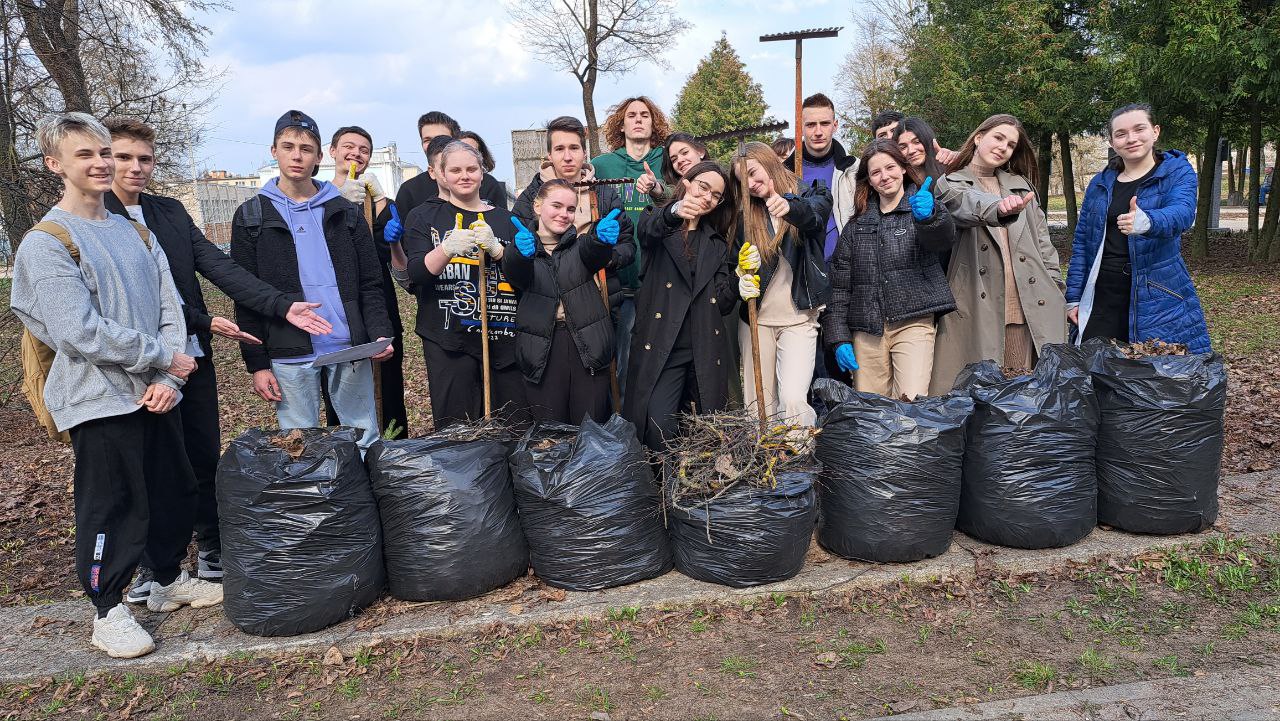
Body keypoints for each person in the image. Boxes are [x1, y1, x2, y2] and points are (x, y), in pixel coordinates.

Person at [11, 113, 222, 659]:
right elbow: (78, 331)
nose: (102, 163)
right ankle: (108, 609)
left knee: (173, 490)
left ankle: (168, 578)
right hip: (99, 398)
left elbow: (169, 305)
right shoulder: (47, 242)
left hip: (156, 390)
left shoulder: (136, 230)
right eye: (86, 155)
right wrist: (160, 358)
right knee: (112, 506)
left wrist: (168, 375)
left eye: (105, 152)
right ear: (55, 164)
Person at [103, 118, 334, 602]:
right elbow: (136, 295)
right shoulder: (95, 218)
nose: (135, 168)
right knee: (147, 467)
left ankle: (211, 549)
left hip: (191, 358)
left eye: (144, 158)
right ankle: (153, 566)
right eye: (123, 157)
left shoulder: (167, 212)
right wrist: (202, 319)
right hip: (131, 363)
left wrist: (281, 305)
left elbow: (220, 267)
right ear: (104, 158)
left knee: (201, 456)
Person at [231, 110, 394, 452]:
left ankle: (362, 502)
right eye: (287, 146)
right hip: (289, 349)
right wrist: (257, 364)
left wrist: (378, 332)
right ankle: (312, 506)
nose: (296, 155)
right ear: (273, 151)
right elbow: (245, 295)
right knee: (298, 443)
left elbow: (370, 281)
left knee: (362, 437)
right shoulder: (252, 216)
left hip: (348, 344)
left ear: (319, 156)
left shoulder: (344, 211)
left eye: (306, 149)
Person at [930, 114, 1067, 394]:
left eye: (1011, 144)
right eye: (998, 138)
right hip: (980, 305)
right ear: (979, 137)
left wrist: (1055, 284)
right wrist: (999, 208)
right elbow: (965, 205)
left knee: (1025, 393)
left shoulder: (1022, 186)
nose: (1003, 147)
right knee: (982, 394)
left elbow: (1043, 243)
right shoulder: (951, 183)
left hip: (1030, 303)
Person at [1066, 103, 1210, 353]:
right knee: (1095, 370)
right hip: (1102, 294)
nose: (1130, 138)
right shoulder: (1100, 183)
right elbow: (1082, 244)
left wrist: (1147, 221)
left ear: (1155, 132)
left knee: (1153, 374)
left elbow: (1183, 213)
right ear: (1112, 142)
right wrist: (1074, 297)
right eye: (1121, 134)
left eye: (1139, 129)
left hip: (1156, 294)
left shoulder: (1177, 172)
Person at [403, 141, 527, 427]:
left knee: (511, 425)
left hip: (503, 338)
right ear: (441, 174)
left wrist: (498, 250)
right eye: (455, 170)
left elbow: (526, 279)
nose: (464, 176)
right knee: (456, 428)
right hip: (448, 337)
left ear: (483, 173)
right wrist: (445, 250)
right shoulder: (424, 217)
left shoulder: (507, 220)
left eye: (472, 169)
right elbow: (416, 276)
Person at [822, 140, 956, 400]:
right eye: (875, 172)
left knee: (910, 400)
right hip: (867, 330)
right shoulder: (856, 227)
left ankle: (908, 444)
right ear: (869, 181)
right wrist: (838, 339)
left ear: (903, 168)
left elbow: (942, 240)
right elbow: (839, 289)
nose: (885, 176)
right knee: (871, 410)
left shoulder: (922, 208)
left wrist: (929, 218)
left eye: (890, 167)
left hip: (913, 322)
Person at [624, 161, 737, 451]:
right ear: (687, 182)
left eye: (715, 195)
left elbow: (722, 303)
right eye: (703, 186)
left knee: (704, 432)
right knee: (660, 426)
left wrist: (741, 281)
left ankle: (694, 492)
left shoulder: (717, 244)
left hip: (703, 349)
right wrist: (674, 212)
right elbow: (649, 230)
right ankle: (664, 490)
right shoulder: (659, 223)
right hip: (663, 346)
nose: (707, 197)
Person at [503, 180, 630, 423]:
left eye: (570, 209)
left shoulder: (581, 245)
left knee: (590, 430)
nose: (564, 214)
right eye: (557, 206)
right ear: (538, 206)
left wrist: (602, 241)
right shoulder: (523, 247)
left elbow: (595, 254)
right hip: (542, 350)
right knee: (551, 434)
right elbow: (515, 273)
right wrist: (519, 254)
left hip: (587, 347)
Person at [513, 116, 633, 363]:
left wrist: (604, 257)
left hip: (600, 302)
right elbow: (516, 257)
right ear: (549, 154)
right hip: (549, 308)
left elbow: (627, 246)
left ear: (584, 151)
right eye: (559, 149)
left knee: (605, 379)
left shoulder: (604, 194)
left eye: (574, 148)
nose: (567, 157)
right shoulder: (531, 198)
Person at [731, 142, 832, 427]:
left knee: (793, 400)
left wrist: (789, 206)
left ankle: (798, 465)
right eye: (742, 181)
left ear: (769, 161)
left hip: (799, 318)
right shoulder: (744, 213)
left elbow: (815, 216)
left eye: (753, 172)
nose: (750, 184)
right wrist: (740, 273)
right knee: (758, 406)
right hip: (756, 319)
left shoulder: (811, 194)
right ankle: (762, 463)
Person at [328, 125, 409, 439]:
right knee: (343, 385)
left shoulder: (379, 199)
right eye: (348, 146)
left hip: (379, 300)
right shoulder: (319, 196)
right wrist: (337, 200)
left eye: (364, 150)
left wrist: (377, 201)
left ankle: (393, 453)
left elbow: (386, 252)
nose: (355, 154)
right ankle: (348, 451)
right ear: (332, 152)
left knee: (388, 383)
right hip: (340, 301)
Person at [591, 96, 672, 398]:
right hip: (617, 282)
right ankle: (621, 426)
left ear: (654, 123)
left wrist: (659, 188)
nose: (638, 119)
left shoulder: (666, 160)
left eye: (645, 115)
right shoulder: (602, 165)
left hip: (659, 281)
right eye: (631, 115)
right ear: (621, 124)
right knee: (619, 363)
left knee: (657, 362)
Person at [395, 111, 507, 218]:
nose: (435, 144)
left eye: (442, 138)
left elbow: (501, 224)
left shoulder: (487, 184)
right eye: (427, 140)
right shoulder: (409, 191)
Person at [783, 93, 858, 253]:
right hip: (797, 270)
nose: (818, 131)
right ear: (800, 127)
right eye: (810, 125)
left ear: (835, 125)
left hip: (843, 267)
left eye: (824, 123)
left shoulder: (854, 170)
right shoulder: (783, 174)